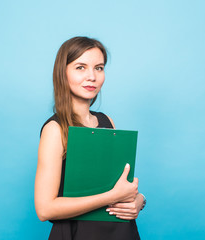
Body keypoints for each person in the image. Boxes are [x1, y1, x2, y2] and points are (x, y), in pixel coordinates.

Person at [35, 36, 146, 240]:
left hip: (120, 233)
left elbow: (117, 185)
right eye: (80, 67)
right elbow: (45, 209)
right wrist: (111, 197)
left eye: (99, 68)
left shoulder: (107, 121)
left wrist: (139, 200)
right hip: (77, 234)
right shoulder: (55, 129)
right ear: (63, 72)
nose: (92, 77)